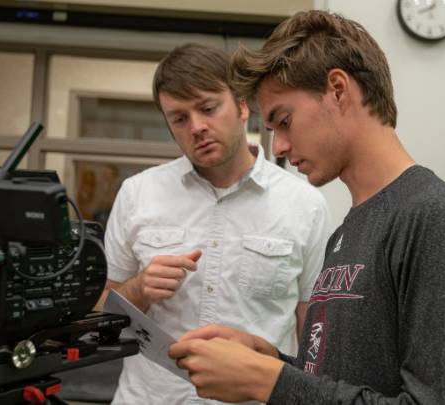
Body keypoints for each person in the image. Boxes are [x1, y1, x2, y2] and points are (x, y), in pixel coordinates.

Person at [169, 10, 445, 404]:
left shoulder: (433, 218)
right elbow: (340, 382)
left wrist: (272, 383)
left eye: (284, 121)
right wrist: (271, 361)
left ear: (338, 90)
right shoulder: (347, 231)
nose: (281, 149)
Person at [97, 43, 331, 405]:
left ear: (240, 106)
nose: (197, 127)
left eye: (208, 108)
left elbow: (313, 332)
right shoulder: (137, 194)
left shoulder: (305, 204)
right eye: (179, 118)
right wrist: (139, 288)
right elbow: (98, 313)